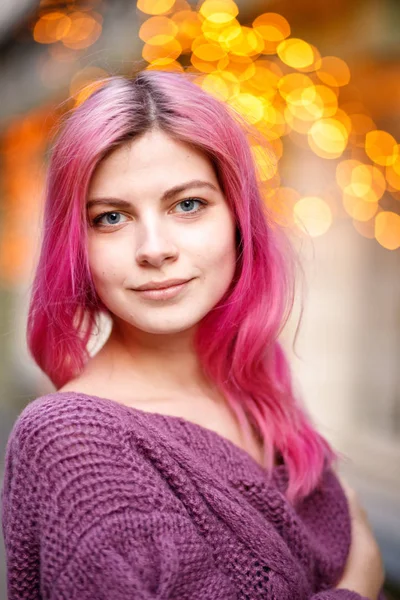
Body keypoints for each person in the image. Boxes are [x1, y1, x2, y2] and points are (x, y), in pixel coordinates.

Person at [1, 70, 385, 600]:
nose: (154, 248)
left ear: (237, 218)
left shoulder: (254, 383)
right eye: (111, 217)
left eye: (188, 204)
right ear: (77, 246)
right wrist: (359, 589)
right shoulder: (73, 440)